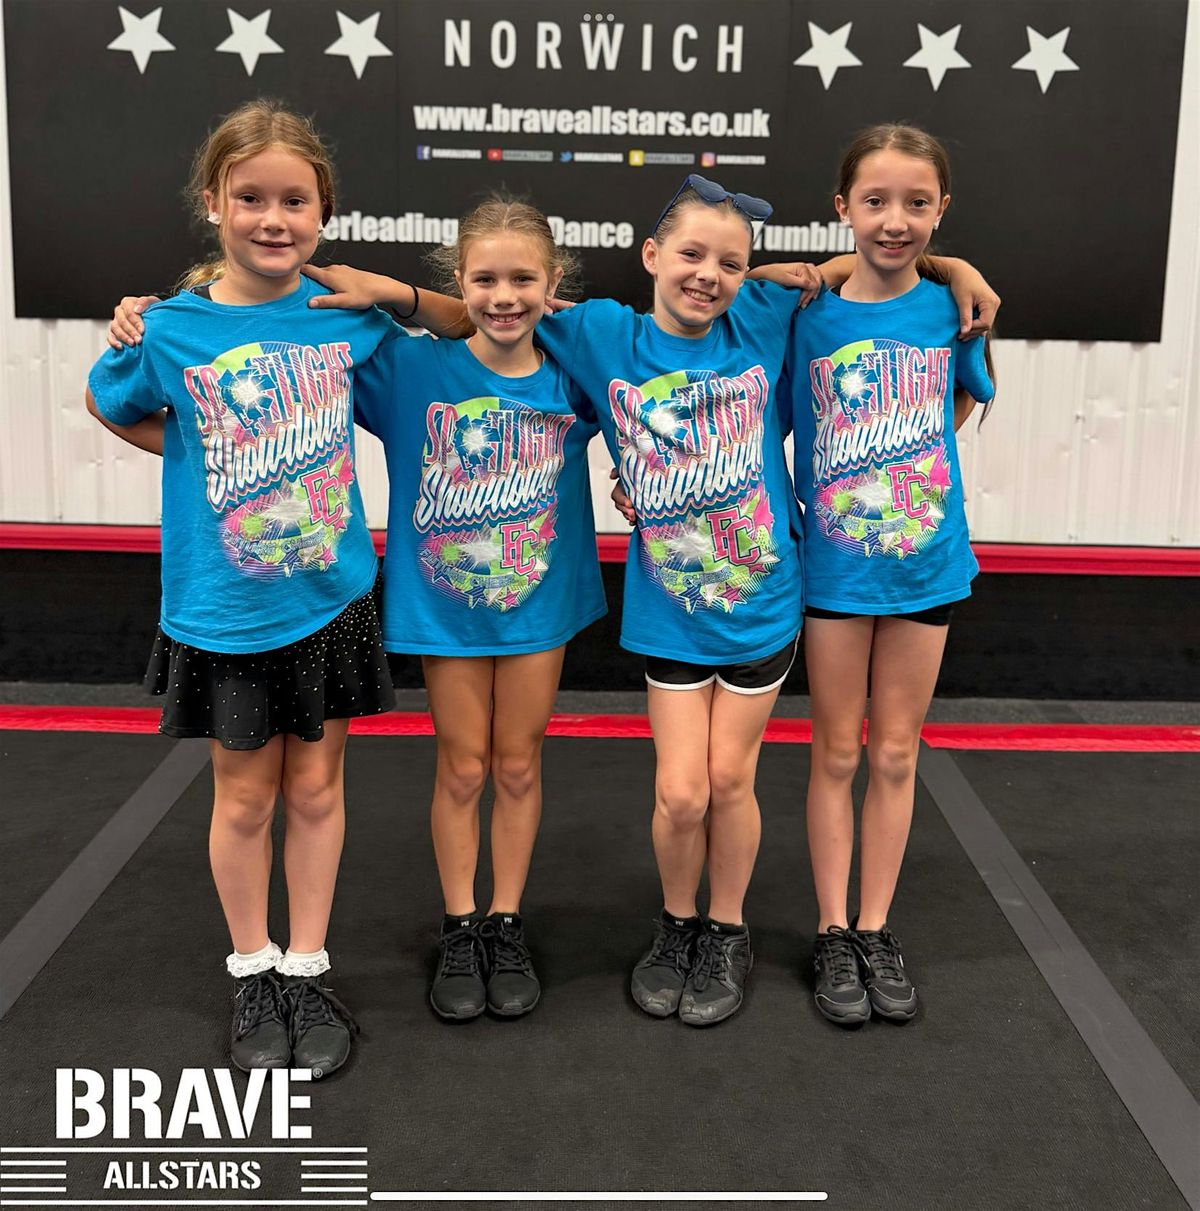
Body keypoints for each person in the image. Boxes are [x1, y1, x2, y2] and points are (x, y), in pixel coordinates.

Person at [205, 172, 998, 1030]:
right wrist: (399, 296)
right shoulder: (596, 335)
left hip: (760, 600)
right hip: (652, 609)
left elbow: (862, 271)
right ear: (650, 255)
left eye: (730, 262)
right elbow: (487, 311)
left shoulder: (767, 316)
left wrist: (956, 268)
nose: (708, 274)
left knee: (722, 779)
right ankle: (542, 925)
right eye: (690, 254)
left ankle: (722, 930)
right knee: (651, 789)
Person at [86, 99, 453, 1076]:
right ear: (213, 202)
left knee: (320, 788)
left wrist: (396, 293)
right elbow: (107, 397)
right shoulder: (172, 328)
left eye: (296, 200)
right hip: (227, 609)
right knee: (246, 796)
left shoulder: (346, 319)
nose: (273, 218)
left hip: (329, 596)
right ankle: (253, 965)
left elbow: (458, 336)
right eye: (251, 197)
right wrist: (195, 448)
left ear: (324, 211)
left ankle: (306, 964)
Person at [315, 198, 604, 1021]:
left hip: (537, 604)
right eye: (484, 279)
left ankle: (505, 920)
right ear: (459, 280)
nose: (503, 296)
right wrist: (149, 314)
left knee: (516, 764)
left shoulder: (574, 373)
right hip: (447, 610)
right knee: (464, 765)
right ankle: (460, 921)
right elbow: (291, 326)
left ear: (554, 283)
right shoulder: (412, 369)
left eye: (522, 280)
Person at [783, 125, 996, 1027]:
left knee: (898, 751)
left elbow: (961, 398)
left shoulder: (954, 310)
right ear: (843, 208)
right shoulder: (806, 314)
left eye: (916, 203)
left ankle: (875, 926)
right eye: (875, 201)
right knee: (836, 751)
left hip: (926, 566)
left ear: (942, 209)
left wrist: (909, 455)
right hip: (834, 570)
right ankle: (832, 930)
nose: (895, 220)